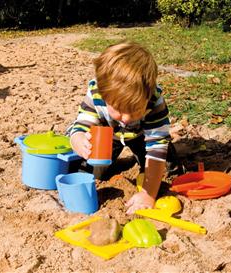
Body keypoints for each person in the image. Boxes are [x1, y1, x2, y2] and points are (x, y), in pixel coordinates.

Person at [68, 41, 170, 214]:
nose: (127, 119)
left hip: (141, 136)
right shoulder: (96, 94)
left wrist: (148, 194)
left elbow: (157, 147)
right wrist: (78, 140)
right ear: (104, 94)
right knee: (94, 172)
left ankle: (140, 160)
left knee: (167, 168)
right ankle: (124, 161)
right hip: (108, 137)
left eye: (136, 110)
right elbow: (80, 125)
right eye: (119, 110)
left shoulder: (154, 101)